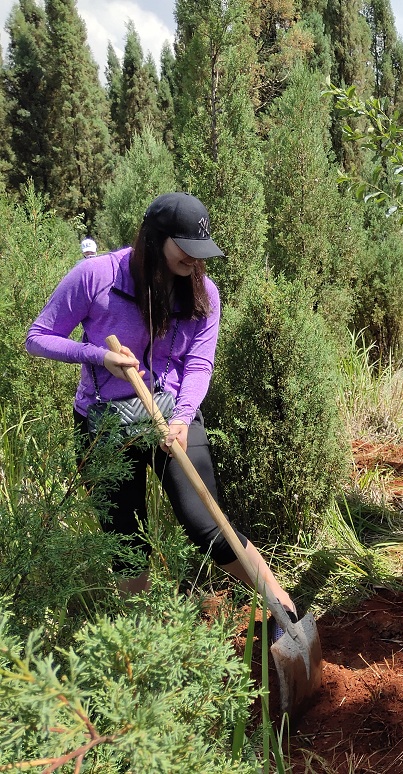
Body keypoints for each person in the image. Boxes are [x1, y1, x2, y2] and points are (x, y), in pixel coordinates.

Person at [26, 192, 299, 635]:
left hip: (171, 411)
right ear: (156, 240)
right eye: (185, 250)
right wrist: (97, 355)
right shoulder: (97, 276)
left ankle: (287, 615)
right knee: (127, 544)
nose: (195, 262)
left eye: (201, 253)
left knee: (207, 524)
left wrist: (182, 416)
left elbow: (199, 363)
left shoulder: (202, 292)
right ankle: (148, 647)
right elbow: (38, 337)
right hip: (104, 424)